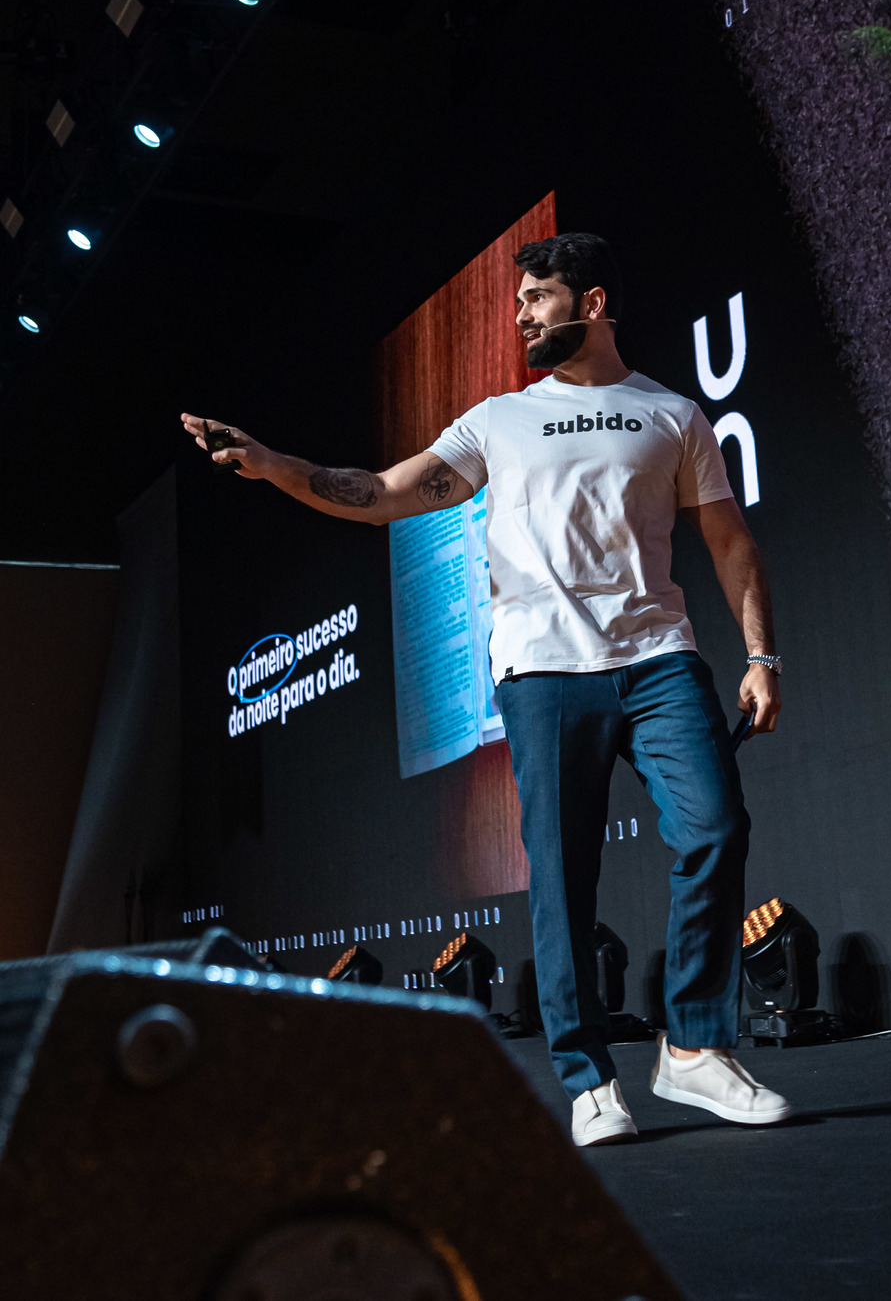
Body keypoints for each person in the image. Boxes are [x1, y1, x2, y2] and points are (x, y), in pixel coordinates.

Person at [182, 231, 790, 1143]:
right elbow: (384, 493)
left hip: (659, 660)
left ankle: (695, 1048)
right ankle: (589, 1080)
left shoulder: (673, 415)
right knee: (563, 878)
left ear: (592, 304)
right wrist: (272, 465)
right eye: (517, 302)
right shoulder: (497, 420)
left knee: (716, 829)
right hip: (542, 671)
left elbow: (730, 541)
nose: (521, 315)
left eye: (538, 297)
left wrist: (761, 657)